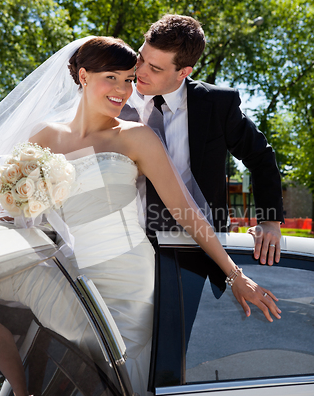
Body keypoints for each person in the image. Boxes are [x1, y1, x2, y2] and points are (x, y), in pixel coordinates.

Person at [0, 36, 281, 396]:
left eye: (128, 79)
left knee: (122, 386)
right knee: (81, 384)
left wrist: (236, 275)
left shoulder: (137, 137)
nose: (123, 90)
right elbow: (26, 215)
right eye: (113, 78)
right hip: (72, 278)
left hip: (129, 279)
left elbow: (187, 212)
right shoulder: (44, 138)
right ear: (84, 76)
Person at [120, 14, 284, 267]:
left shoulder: (218, 105)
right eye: (141, 57)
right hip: (128, 244)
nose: (140, 71)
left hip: (200, 250)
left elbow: (261, 156)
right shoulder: (116, 97)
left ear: (183, 72)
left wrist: (269, 221)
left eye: (155, 68)